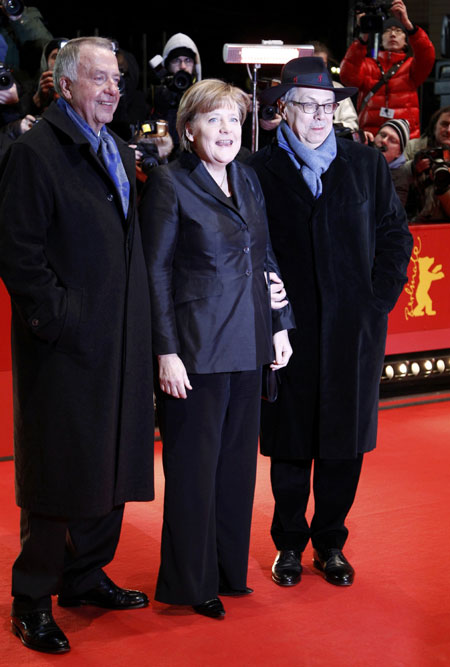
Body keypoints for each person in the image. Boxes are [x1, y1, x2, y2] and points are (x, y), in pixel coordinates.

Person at [0, 36, 154, 654]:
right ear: (65, 85)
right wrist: (60, 318)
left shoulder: (115, 146)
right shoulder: (36, 152)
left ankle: (85, 577)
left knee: (110, 461)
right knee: (57, 474)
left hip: (118, 340)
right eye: (100, 79)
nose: (114, 89)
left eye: (117, 79)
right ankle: (32, 599)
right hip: (63, 346)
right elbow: (19, 252)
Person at [247, 57, 412, 589]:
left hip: (352, 333)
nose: (320, 117)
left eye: (327, 106)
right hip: (288, 334)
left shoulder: (365, 165)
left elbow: (395, 237)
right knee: (291, 447)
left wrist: (376, 299)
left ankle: (331, 544)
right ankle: (289, 546)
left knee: (343, 448)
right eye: (307, 106)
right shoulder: (257, 170)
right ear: (284, 109)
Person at [139, 79, 294, 619]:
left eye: (232, 119)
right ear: (189, 129)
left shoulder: (249, 180)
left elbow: (266, 255)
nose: (226, 130)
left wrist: (280, 325)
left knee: (235, 470)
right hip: (196, 351)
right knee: (193, 471)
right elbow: (154, 272)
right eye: (213, 119)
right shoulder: (168, 184)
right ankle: (191, 581)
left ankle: (229, 571)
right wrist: (165, 350)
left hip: (250, 341)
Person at [340, 0, 435, 138]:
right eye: (387, 31)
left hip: (403, 140)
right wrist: (363, 37)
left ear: (406, 41)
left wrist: (408, 25)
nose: (392, 34)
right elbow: (347, 77)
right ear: (380, 38)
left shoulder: (411, 66)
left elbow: (427, 54)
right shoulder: (367, 65)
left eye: (398, 31)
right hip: (371, 137)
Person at [149, 33, 201, 149]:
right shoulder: (156, 93)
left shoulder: (202, 94)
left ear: (194, 65)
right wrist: (159, 111)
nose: (182, 66)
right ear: (167, 65)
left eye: (188, 60)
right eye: (176, 61)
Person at [404, 106, 450, 222]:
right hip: (412, 219)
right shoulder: (412, 148)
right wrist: (412, 169)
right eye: (444, 124)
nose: (449, 130)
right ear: (435, 126)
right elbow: (393, 178)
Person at [374, 117, 411, 205]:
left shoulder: (400, 179)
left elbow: (394, 213)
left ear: (399, 153)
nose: (384, 141)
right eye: (382, 135)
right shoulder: (361, 158)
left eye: (392, 140)